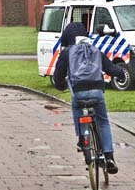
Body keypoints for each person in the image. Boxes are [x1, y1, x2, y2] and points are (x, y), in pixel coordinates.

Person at [53, 22, 125, 174]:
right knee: (103, 122)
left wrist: (60, 86)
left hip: (78, 92)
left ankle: (81, 140)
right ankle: (109, 157)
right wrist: (121, 73)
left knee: (76, 108)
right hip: (97, 92)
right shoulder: (95, 50)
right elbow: (111, 69)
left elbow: (58, 75)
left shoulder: (67, 52)